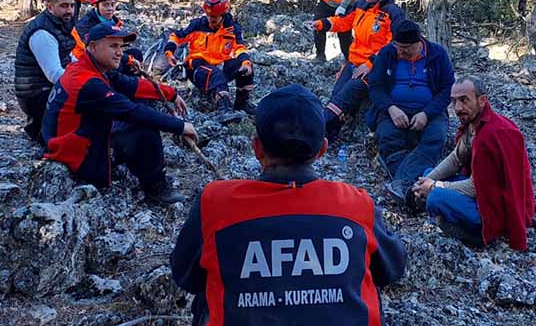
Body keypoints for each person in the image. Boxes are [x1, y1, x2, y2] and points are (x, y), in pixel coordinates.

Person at [171, 84, 406, 326]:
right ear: (322, 149)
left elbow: (186, 276)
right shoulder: (355, 205)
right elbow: (392, 269)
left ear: (257, 148)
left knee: (208, 287)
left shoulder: (216, 203)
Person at [41, 21, 197, 205]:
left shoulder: (87, 67)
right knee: (145, 132)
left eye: (121, 46)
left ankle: (137, 165)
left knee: (141, 104)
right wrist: (180, 126)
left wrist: (171, 94)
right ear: (93, 46)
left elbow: (131, 85)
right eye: (113, 46)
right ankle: (156, 188)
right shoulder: (88, 83)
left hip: (69, 136)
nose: (120, 52)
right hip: (72, 153)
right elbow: (132, 112)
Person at [411, 76, 535, 250]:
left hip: (494, 210)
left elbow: (475, 187)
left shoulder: (492, 133)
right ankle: (431, 202)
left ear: (482, 100)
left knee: (436, 196)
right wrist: (427, 180)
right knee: (427, 173)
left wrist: (434, 187)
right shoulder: (473, 123)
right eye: (454, 101)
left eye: (464, 100)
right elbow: (456, 158)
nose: (458, 108)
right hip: (482, 194)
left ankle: (474, 235)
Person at [365, 20, 455, 201]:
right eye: (398, 46)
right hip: (393, 109)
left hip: (429, 110)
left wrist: (427, 113)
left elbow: (447, 90)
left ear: (418, 43)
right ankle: (411, 189)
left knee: (435, 138)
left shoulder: (438, 54)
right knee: (388, 138)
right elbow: (375, 86)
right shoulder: (387, 53)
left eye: (405, 48)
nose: (400, 51)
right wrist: (391, 108)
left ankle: (402, 184)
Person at [313, 0, 403, 144]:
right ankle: (328, 137)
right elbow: (344, 22)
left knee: (344, 97)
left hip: (374, 69)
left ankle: (312, 133)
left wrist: (371, 64)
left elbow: (395, 44)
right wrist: (321, 24)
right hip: (353, 63)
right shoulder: (362, 6)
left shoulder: (393, 13)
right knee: (336, 95)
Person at [163, 0, 255, 123]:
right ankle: (224, 109)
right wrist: (169, 52)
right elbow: (176, 36)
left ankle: (242, 103)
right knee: (215, 74)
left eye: (215, 16)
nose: (211, 19)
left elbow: (239, 48)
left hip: (219, 65)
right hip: (196, 68)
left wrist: (245, 62)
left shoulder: (232, 29)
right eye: (209, 15)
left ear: (223, 14)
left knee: (246, 67)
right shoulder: (197, 25)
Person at [14, 0, 77, 143]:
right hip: (37, 94)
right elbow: (54, 74)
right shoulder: (42, 33)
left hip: (47, 89)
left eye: (71, 5)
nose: (69, 10)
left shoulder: (60, 24)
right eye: (63, 6)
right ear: (50, 7)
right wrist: (85, 83)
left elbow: (68, 56)